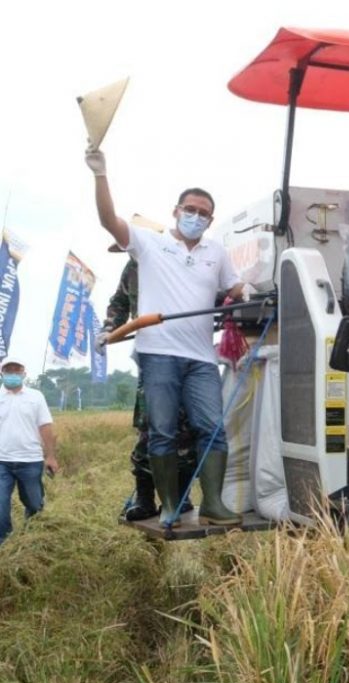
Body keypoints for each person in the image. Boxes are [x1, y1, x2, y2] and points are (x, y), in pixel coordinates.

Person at [86, 148, 246, 527]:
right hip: (157, 354)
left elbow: (234, 288)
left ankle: (213, 504)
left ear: (211, 219)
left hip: (201, 358)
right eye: (189, 209)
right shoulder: (149, 245)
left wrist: (247, 291)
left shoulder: (217, 252)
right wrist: (100, 174)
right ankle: (168, 505)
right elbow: (109, 219)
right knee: (161, 433)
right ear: (175, 210)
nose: (195, 216)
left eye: (203, 212)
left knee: (212, 428)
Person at [95, 250, 197, 521]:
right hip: (151, 356)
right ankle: (144, 498)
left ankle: (180, 497)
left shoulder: (177, 262)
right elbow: (118, 302)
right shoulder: (132, 268)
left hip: (186, 354)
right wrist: (109, 328)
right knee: (148, 427)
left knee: (184, 431)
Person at [0, 357, 59, 545]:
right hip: (2, 461)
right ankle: (5, 543)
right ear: (2, 373)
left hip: (30, 461)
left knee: (34, 504)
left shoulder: (36, 396)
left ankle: (31, 540)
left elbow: (45, 427)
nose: (12, 374)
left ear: (23, 373)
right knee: (0, 505)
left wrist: (50, 456)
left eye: (16, 371)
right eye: (8, 371)